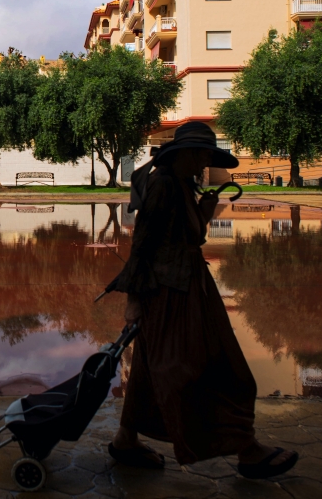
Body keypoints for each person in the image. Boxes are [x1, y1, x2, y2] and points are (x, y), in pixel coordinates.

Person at [107, 121, 298, 480]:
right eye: (203, 155)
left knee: (150, 366)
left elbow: (187, 237)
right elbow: (142, 244)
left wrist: (205, 212)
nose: (206, 163)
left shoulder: (181, 184)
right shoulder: (164, 185)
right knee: (208, 367)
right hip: (169, 293)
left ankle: (125, 439)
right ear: (189, 153)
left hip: (187, 286)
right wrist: (134, 300)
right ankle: (247, 448)